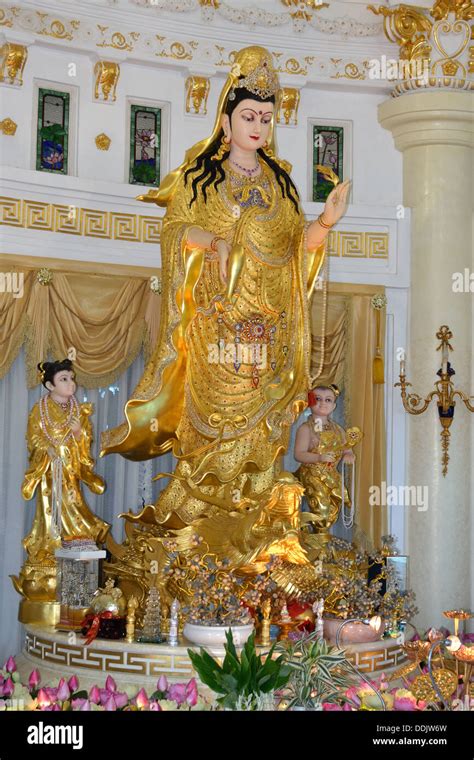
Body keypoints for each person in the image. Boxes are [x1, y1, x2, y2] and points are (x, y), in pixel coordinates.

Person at [100, 46, 350, 584]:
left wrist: (326, 223)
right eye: (248, 116)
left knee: (262, 441)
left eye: (266, 117)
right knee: (212, 434)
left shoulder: (281, 185)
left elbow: (295, 250)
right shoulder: (200, 178)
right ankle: (200, 527)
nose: (258, 126)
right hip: (217, 333)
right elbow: (173, 233)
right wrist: (209, 242)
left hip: (268, 333)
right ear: (226, 116)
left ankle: (259, 530)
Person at [12, 359, 109, 608]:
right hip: (49, 472)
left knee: (74, 504)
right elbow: (33, 438)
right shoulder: (39, 409)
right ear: (49, 385)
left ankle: (77, 538)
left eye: (71, 378)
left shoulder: (78, 411)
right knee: (51, 510)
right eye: (64, 379)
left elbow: (85, 444)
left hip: (70, 471)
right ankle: (50, 545)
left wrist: (78, 432)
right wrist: (47, 449)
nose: (71, 383)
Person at [294, 384, 362, 547]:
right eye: (318, 399)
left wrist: (348, 455)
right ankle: (318, 549)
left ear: (333, 406)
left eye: (328, 400)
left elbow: (347, 447)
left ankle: (321, 547)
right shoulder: (306, 428)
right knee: (321, 512)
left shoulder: (338, 429)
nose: (323, 403)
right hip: (312, 476)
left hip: (332, 477)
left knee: (332, 512)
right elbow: (299, 454)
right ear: (310, 402)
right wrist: (319, 457)